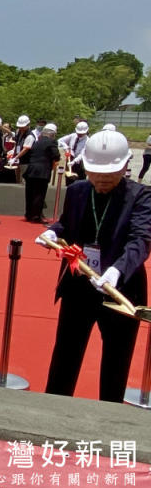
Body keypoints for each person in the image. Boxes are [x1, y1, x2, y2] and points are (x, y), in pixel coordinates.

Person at [36, 130, 151, 403]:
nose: (101, 182)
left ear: (125, 166)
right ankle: (52, 408)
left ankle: (108, 416)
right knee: (65, 352)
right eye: (95, 175)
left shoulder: (141, 197)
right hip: (79, 284)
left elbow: (141, 240)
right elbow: (67, 223)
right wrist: (53, 232)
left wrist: (117, 270)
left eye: (108, 177)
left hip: (119, 291)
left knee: (116, 358)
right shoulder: (77, 190)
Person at [23, 123, 60, 222]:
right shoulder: (52, 142)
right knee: (39, 194)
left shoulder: (37, 142)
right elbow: (56, 155)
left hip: (31, 170)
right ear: (53, 134)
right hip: (42, 171)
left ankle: (28, 214)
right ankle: (36, 216)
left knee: (30, 193)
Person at [9, 115, 35, 181]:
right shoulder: (19, 132)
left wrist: (15, 158)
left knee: (24, 180)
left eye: (22, 127)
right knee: (17, 180)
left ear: (28, 125)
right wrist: (13, 151)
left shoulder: (30, 136)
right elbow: (17, 143)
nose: (21, 128)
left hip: (26, 161)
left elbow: (25, 149)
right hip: (18, 160)